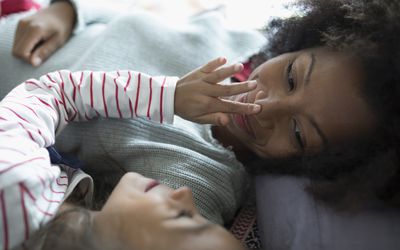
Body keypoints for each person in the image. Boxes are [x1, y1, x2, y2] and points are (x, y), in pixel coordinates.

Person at [1, 0, 267, 227]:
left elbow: (61, 93)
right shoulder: (240, 42)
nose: (267, 106)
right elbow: (127, 13)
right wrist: (69, 10)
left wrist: (168, 95)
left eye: (299, 130)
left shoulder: (199, 181)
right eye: (292, 76)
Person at [0, 57, 258, 249]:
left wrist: (166, 95)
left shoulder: (15, 183)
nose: (185, 193)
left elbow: (54, 92)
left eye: (183, 216)